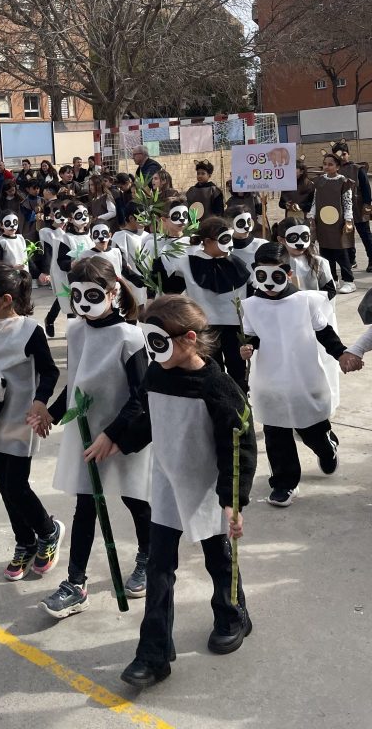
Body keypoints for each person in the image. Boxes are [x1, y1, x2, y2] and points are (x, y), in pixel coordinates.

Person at [114, 295, 257, 689]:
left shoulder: (217, 386)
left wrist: (233, 500)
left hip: (207, 489)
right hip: (166, 486)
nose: (151, 352)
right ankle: (154, 653)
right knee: (159, 568)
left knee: (219, 559)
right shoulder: (156, 374)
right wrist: (118, 440)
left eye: (158, 342)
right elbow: (149, 419)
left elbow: (238, 446)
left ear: (189, 339)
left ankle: (233, 615)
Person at [38, 257, 151, 617]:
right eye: (76, 296)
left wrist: (112, 434)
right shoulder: (75, 330)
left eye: (92, 295)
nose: (83, 304)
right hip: (86, 433)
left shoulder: (130, 336)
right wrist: (52, 412)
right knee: (86, 504)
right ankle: (76, 583)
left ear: (113, 292)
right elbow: (77, 381)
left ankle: (148, 556)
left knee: (135, 499)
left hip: (124, 432)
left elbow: (141, 396)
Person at [0, 263, 62, 580]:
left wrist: (40, 401)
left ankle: (48, 531)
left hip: (21, 417)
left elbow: (50, 371)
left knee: (16, 486)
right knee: (4, 486)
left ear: (6, 299)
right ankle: (25, 541)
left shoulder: (28, 330)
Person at [241, 242, 348, 507]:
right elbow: (251, 335)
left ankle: (326, 446)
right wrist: (247, 346)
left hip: (302, 377)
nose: (268, 283)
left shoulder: (305, 301)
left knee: (310, 428)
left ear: (288, 273)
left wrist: (342, 354)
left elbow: (325, 333)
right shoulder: (251, 305)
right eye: (262, 275)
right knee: (275, 433)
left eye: (276, 276)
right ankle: (284, 483)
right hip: (270, 380)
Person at [156, 216, 251, 390]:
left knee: (238, 372)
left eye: (230, 238)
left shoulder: (237, 263)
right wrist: (159, 272)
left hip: (234, 327)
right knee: (211, 371)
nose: (230, 244)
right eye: (224, 239)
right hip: (205, 327)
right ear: (207, 241)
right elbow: (172, 289)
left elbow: (251, 294)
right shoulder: (187, 263)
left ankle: (240, 402)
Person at [309, 152, 355, 293]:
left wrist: (348, 220)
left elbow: (347, 202)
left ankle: (349, 281)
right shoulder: (319, 181)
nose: (327, 167)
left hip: (338, 223)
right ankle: (333, 279)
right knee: (326, 252)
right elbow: (315, 201)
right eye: (325, 164)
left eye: (330, 164)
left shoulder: (344, 182)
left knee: (341, 251)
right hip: (322, 223)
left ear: (337, 167)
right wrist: (312, 215)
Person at [332, 140, 372, 272]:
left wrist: (367, 205)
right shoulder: (334, 170)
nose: (342, 157)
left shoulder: (357, 169)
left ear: (348, 154)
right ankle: (351, 260)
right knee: (346, 236)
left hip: (358, 207)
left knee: (365, 235)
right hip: (341, 209)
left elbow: (366, 189)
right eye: (339, 154)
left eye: (344, 154)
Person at [278, 216, 335, 296]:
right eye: (293, 238)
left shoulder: (319, 262)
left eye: (304, 237)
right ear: (281, 240)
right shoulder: (276, 263)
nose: (300, 244)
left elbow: (330, 291)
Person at [38, 202, 69, 337]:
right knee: (63, 295)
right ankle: (51, 319)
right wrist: (45, 271)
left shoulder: (69, 231)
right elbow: (46, 252)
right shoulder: (46, 232)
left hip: (69, 265)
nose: (62, 220)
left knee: (69, 295)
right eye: (58, 216)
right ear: (51, 216)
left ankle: (53, 320)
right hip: (55, 267)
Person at [277, 159, 315, 235]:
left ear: (301, 171)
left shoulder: (309, 185)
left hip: (304, 219)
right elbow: (281, 203)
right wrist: (285, 205)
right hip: (289, 219)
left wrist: (299, 206)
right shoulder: (286, 184)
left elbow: (312, 205)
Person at [227, 205, 268, 271]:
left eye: (248, 222)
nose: (247, 227)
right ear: (230, 224)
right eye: (241, 223)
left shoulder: (263, 245)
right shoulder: (224, 250)